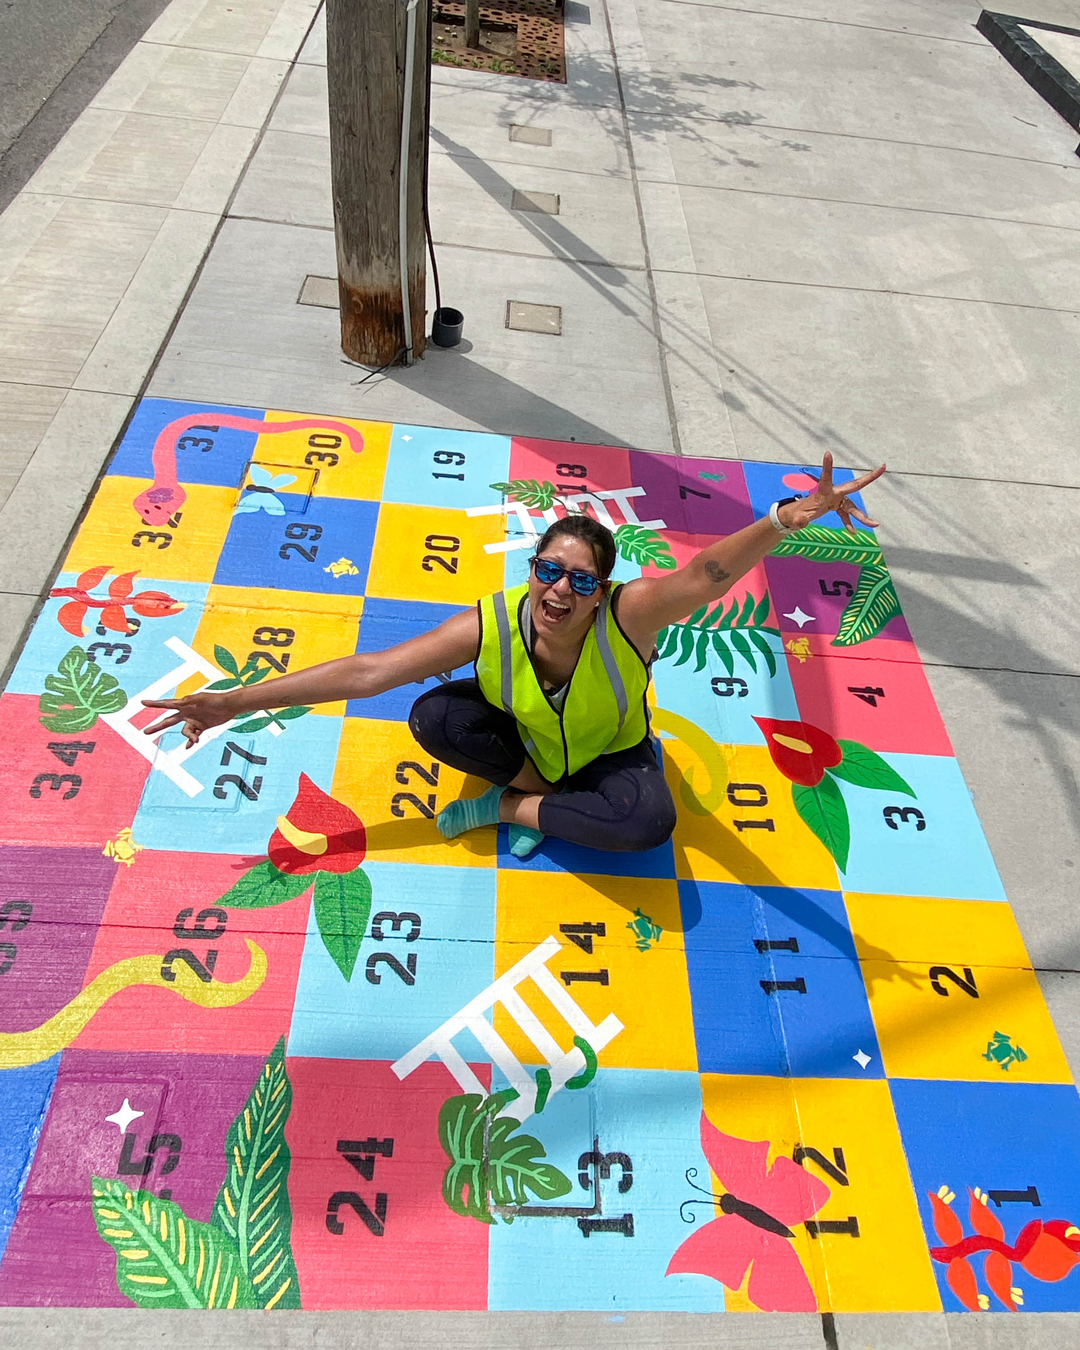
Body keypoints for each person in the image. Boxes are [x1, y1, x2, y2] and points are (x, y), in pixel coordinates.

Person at [144, 452, 884, 857]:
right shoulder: (495, 621)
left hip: (612, 755)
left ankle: (514, 807)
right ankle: (543, 799)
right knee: (434, 714)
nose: (559, 589)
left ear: (601, 591)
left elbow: (706, 575)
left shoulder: (628, 617)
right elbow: (368, 672)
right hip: (534, 744)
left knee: (648, 826)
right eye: (548, 571)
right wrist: (233, 701)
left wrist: (783, 519)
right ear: (533, 570)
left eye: (581, 580)